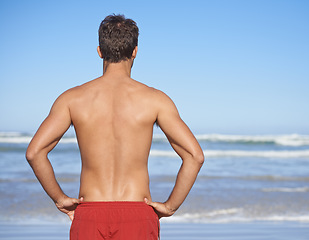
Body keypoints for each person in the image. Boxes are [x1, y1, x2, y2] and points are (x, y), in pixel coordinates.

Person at [26, 14, 204, 239]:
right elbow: (195, 156)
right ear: (135, 51)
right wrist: (170, 206)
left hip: (89, 213)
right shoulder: (156, 100)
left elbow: (34, 153)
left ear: (100, 51)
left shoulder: (72, 99)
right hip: (138, 214)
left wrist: (60, 199)